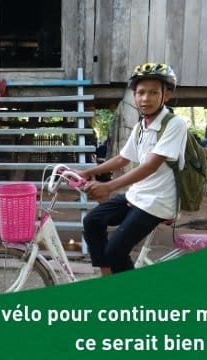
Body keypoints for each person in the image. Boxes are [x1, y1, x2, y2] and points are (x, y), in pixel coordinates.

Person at [78, 63, 188, 276]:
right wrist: (88, 173)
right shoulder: (140, 127)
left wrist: (108, 186)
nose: (145, 98)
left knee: (115, 252)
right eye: (140, 93)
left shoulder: (175, 124)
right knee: (92, 221)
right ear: (135, 95)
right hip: (138, 196)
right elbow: (122, 158)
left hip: (158, 202)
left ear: (167, 95)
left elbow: (151, 165)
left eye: (153, 92)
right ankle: (107, 276)